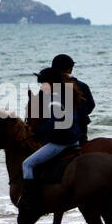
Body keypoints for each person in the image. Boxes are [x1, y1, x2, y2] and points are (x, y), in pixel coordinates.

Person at [21, 66, 85, 205]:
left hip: (61, 142)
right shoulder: (67, 93)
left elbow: (54, 124)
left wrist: (39, 132)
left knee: (27, 164)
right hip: (74, 139)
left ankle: (29, 199)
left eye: (43, 84)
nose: (41, 87)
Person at [51, 54, 94, 143]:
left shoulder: (50, 87)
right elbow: (91, 106)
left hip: (57, 135)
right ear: (70, 69)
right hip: (81, 131)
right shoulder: (82, 86)